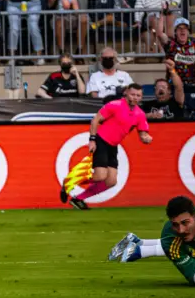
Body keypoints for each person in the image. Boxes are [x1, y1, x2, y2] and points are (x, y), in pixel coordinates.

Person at [62, 82, 152, 210]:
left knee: (111, 181)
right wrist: (92, 140)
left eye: (138, 95)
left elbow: (142, 133)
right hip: (101, 141)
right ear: (126, 93)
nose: (135, 98)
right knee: (100, 176)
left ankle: (78, 199)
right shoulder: (115, 105)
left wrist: (145, 138)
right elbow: (95, 120)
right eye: (133, 94)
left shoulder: (140, 114)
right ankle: (69, 182)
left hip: (113, 146)